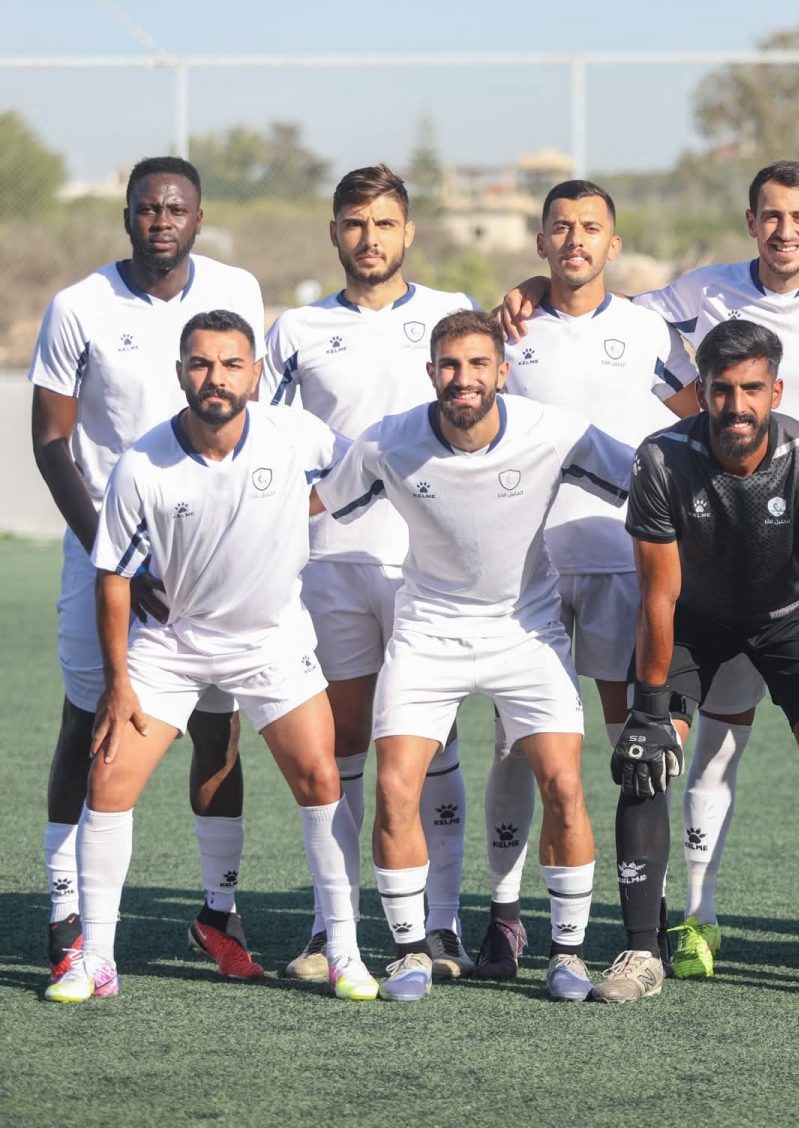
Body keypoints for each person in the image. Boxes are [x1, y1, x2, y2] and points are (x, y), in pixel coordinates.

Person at [501, 160, 799, 977]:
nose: (785, 229)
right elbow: (595, 302)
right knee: (673, 752)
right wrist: (539, 286)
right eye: (770, 215)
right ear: (750, 222)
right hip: (707, 577)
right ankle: (674, 931)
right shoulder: (698, 307)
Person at [45, 309, 370, 1003]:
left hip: (271, 642)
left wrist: (297, 509)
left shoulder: (297, 434)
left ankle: (344, 950)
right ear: (180, 373)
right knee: (108, 781)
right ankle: (95, 959)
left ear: (255, 374)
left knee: (321, 778)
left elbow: (363, 472)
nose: (214, 377)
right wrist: (118, 684)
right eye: (200, 364)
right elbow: (113, 579)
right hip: (173, 646)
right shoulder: (142, 463)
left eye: (230, 364)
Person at [313, 309, 633, 1003]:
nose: (464, 379)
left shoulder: (554, 431)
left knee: (564, 785)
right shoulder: (387, 441)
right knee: (396, 786)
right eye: (451, 366)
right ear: (431, 372)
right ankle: (410, 953)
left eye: (478, 364)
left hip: (526, 631)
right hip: (428, 633)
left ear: (502, 371)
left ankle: (568, 955)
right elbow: (317, 501)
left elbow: (649, 478)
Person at [591, 318, 799, 1004]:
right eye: (721, 390)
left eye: (752, 389)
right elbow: (658, 596)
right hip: (691, 620)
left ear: (775, 391)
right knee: (645, 761)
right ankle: (642, 952)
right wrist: (649, 713)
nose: (736, 405)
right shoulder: (661, 457)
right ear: (701, 392)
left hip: (787, 618)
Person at [28, 156, 267, 985]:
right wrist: (116, 554)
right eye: (147, 209)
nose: (161, 221)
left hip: (211, 559)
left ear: (198, 217)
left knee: (218, 728)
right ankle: (65, 914)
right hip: (103, 552)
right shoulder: (79, 306)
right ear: (126, 215)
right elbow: (52, 442)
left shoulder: (237, 289)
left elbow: (254, 418)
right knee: (88, 721)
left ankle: (219, 913)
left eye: (176, 209)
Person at [483, 179, 700, 977]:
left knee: (634, 743)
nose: (575, 239)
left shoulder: (645, 331)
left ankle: (649, 916)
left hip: (619, 559)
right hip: (527, 567)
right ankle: (505, 914)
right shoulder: (508, 330)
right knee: (516, 745)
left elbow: (698, 416)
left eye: (590, 227)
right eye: (560, 227)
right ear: (540, 242)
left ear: (614, 243)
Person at [264, 165, 475, 981]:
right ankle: (334, 929)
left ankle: (443, 924)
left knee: (432, 742)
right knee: (343, 744)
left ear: (408, 231)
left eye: (385, 223)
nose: (370, 238)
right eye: (355, 223)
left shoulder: (450, 314)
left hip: (430, 565)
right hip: (331, 564)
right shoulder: (297, 329)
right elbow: (267, 441)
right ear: (334, 233)